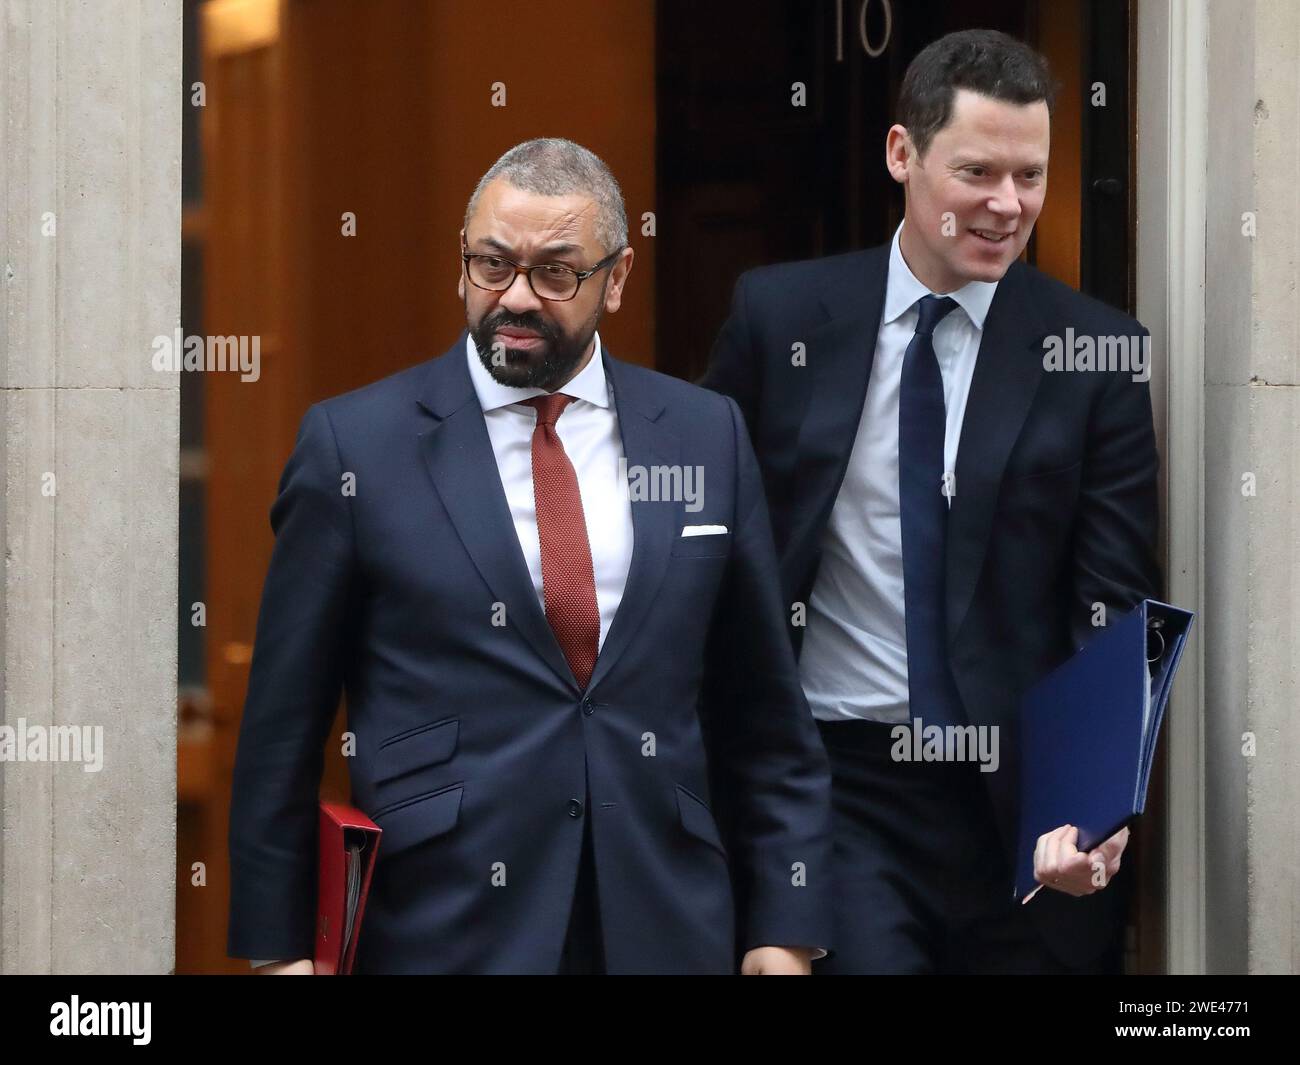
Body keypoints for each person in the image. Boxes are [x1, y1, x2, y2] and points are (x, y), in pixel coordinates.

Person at [227, 138, 831, 975]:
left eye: (555, 273)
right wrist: (278, 951)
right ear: (460, 263)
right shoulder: (354, 446)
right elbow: (280, 732)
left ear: (616, 278)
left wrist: (785, 924)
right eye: (491, 264)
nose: (515, 296)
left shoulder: (705, 435)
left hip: (664, 918)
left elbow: (766, 714)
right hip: (443, 922)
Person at [702, 30, 1159, 974]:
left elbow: (1113, 602)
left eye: (1029, 175)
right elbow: (704, 548)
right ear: (902, 155)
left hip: (1024, 806)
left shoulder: (1097, 353)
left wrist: (1096, 800)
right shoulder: (780, 318)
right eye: (978, 172)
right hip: (843, 785)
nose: (1008, 204)